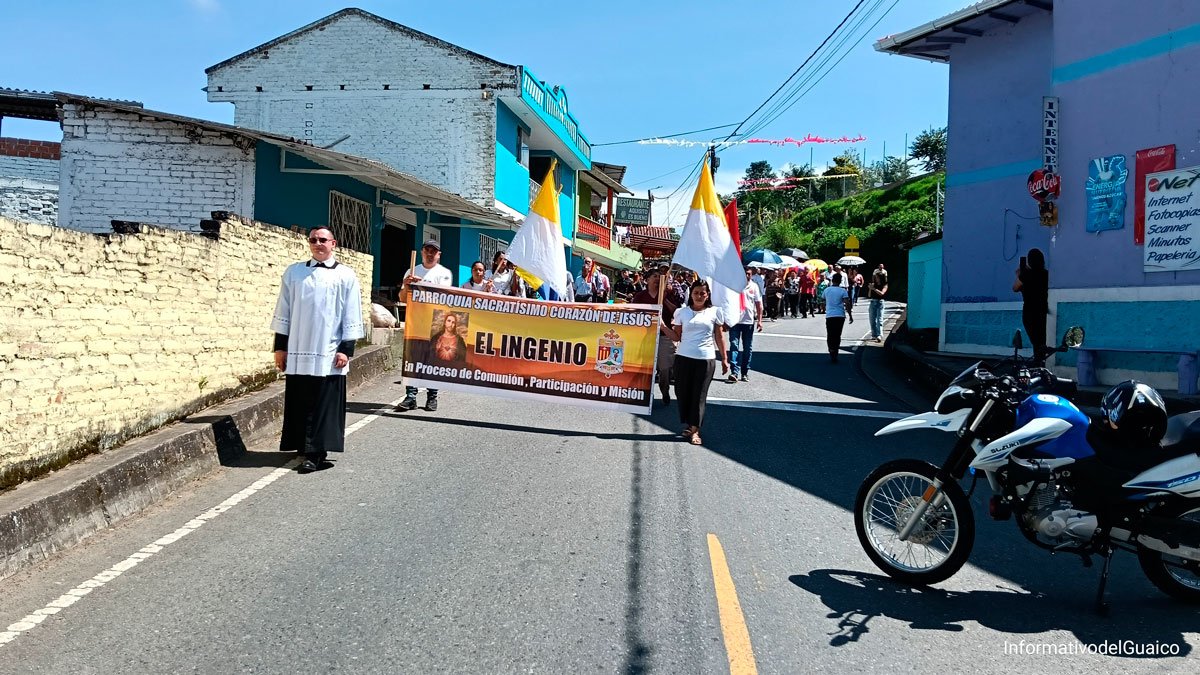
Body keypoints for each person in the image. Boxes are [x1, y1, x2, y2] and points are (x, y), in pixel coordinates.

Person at [271, 226, 365, 474]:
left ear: (333, 243)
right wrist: (280, 348)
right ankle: (302, 445)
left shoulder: (345, 275)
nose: (317, 243)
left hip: (329, 349)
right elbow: (284, 311)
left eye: (322, 240)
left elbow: (352, 313)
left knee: (323, 402)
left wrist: (346, 349)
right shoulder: (294, 273)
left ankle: (316, 453)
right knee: (300, 398)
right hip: (299, 348)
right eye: (313, 240)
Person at [661, 279, 729, 446]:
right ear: (690, 294)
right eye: (696, 293)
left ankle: (695, 430)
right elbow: (677, 336)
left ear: (708, 295)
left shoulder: (715, 312)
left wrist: (725, 359)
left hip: (705, 359)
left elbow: (719, 337)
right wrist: (663, 327)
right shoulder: (681, 313)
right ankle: (689, 425)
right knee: (682, 393)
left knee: (699, 395)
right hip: (683, 358)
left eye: (702, 293)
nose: (699, 296)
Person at [396, 239, 453, 412]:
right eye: (427, 250)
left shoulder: (444, 273)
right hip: (415, 322)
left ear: (439, 255)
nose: (430, 254)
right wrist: (407, 285)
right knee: (412, 359)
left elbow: (442, 298)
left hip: (434, 323)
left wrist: (421, 286)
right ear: (422, 252)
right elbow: (402, 298)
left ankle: (432, 396)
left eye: (433, 251)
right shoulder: (411, 270)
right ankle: (410, 396)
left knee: (432, 360)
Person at [632, 268, 685, 406]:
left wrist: (665, 298)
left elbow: (677, 313)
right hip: (645, 337)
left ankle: (665, 390)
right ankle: (645, 395)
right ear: (647, 279)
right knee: (646, 368)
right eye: (654, 276)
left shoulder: (668, 294)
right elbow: (632, 313)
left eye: (659, 277)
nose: (657, 279)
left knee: (665, 368)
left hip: (664, 336)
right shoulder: (640, 296)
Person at [727, 268, 764, 383]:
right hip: (735, 321)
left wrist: (760, 320)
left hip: (748, 322)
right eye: (744, 274)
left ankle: (745, 372)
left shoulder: (754, 287)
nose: (746, 276)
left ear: (751, 275)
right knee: (734, 346)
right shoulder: (733, 286)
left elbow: (759, 304)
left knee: (747, 347)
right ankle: (734, 372)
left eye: (748, 274)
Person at [1013, 248, 1049, 361]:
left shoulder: (1025, 275)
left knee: (1036, 341)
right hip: (1043, 311)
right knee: (1043, 339)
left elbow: (1015, 288)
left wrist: (1019, 275)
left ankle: (1038, 362)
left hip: (1029, 312)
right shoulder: (1046, 274)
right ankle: (1042, 362)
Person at [823, 272, 852, 364]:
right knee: (837, 334)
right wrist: (850, 315)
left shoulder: (827, 290)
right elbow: (847, 303)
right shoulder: (843, 291)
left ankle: (831, 349)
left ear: (832, 280)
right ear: (840, 281)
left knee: (830, 333)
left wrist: (825, 309)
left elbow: (823, 300)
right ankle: (835, 350)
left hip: (830, 315)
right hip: (840, 315)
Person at [867, 265, 889, 342]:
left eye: (877, 277)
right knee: (872, 319)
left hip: (880, 302)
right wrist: (870, 289)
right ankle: (874, 335)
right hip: (873, 301)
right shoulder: (874, 284)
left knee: (879, 319)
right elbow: (869, 295)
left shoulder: (885, 285)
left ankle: (879, 335)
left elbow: (882, 293)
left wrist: (874, 289)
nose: (875, 278)